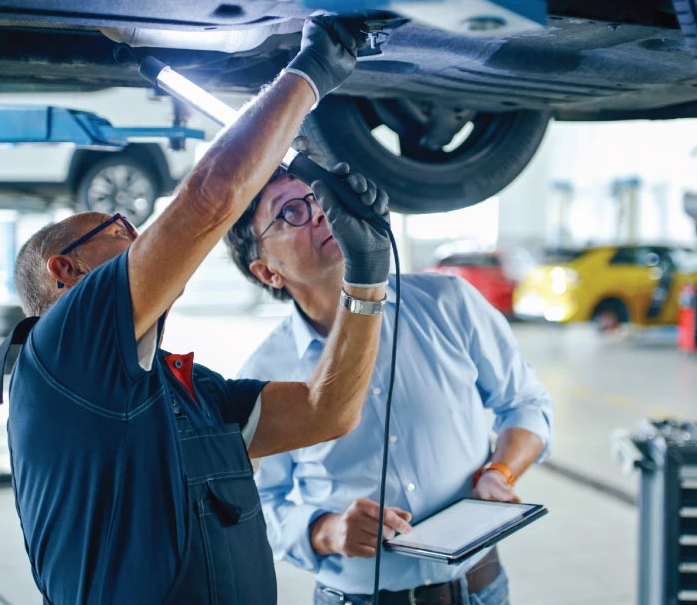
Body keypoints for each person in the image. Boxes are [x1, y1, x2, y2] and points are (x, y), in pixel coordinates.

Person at [0, 17, 393, 605]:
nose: (140, 233)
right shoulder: (59, 351)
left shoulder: (185, 390)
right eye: (119, 228)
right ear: (66, 271)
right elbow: (208, 200)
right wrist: (315, 68)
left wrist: (368, 277)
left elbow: (326, 412)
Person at [225, 161, 555, 605]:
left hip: (478, 590)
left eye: (318, 199)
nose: (321, 213)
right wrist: (327, 530)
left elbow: (526, 402)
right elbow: (259, 503)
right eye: (291, 212)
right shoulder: (262, 373)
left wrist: (501, 471)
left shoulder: (446, 303)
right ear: (267, 271)